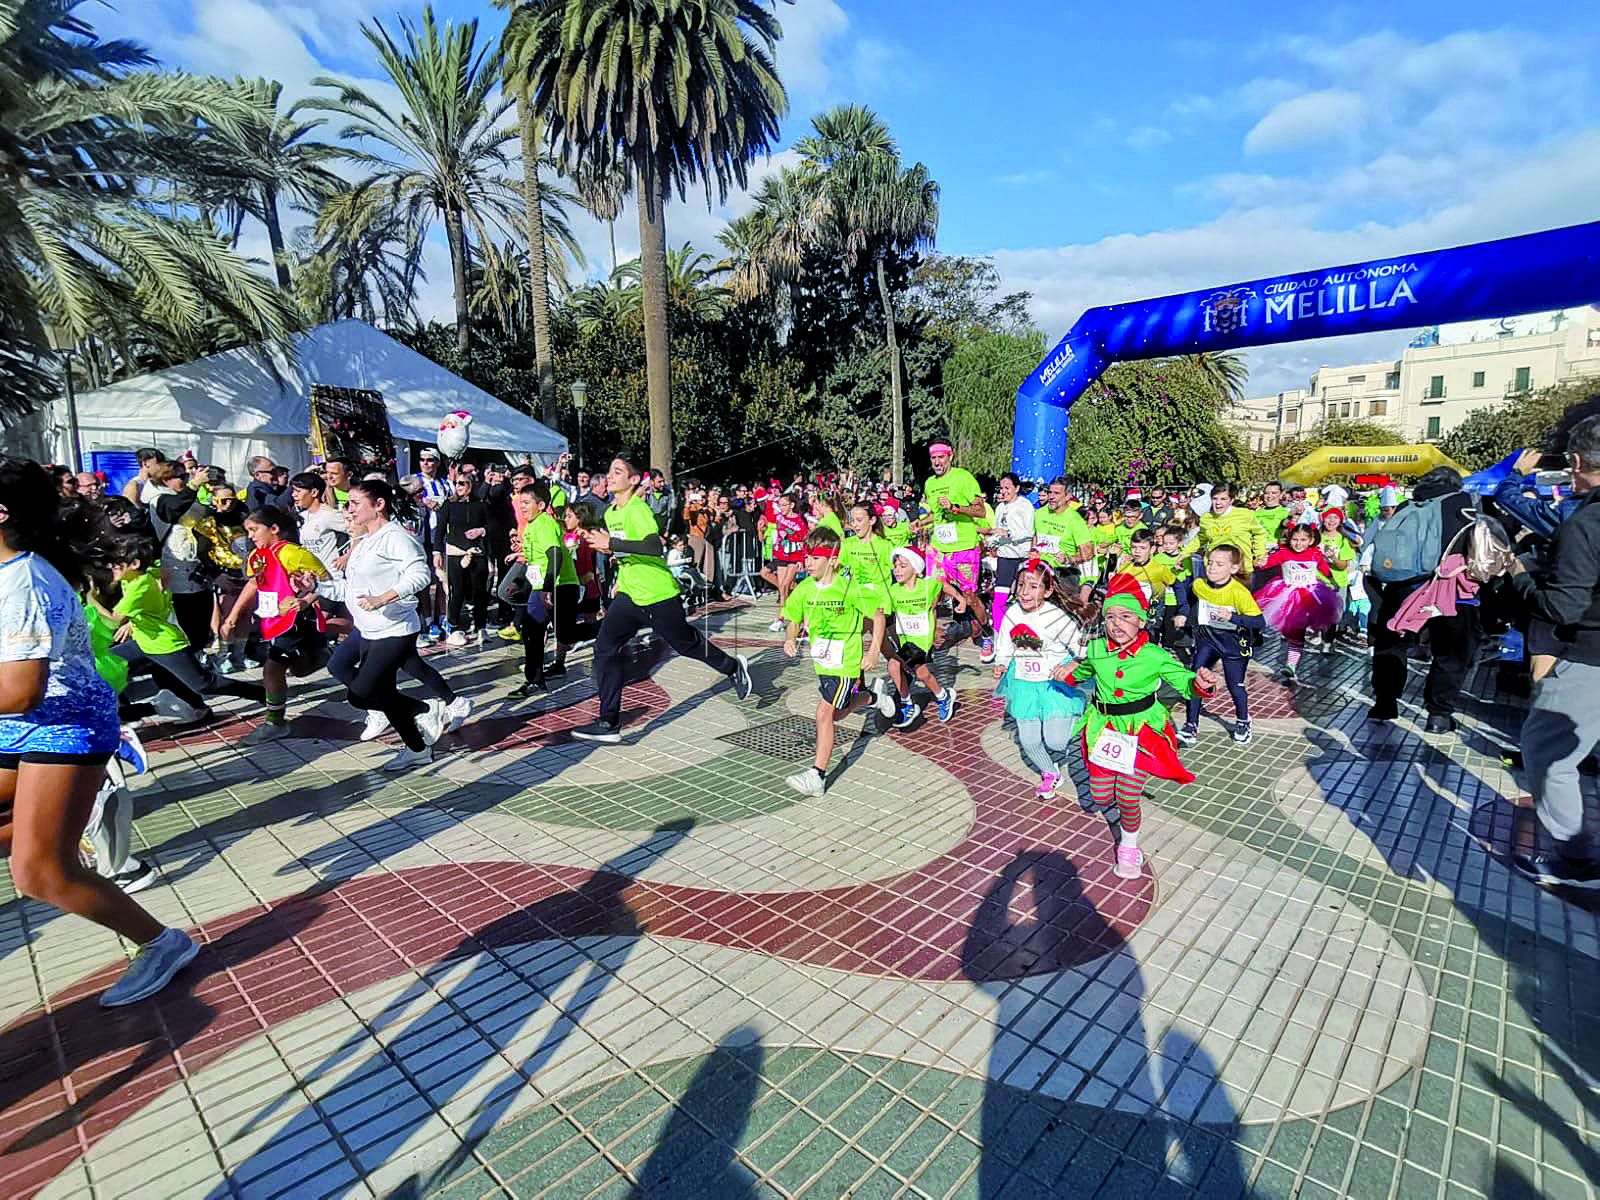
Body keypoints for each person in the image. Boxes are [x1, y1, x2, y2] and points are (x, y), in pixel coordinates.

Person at [0, 459, 199, 1006]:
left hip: (64, 727)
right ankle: (58, 825)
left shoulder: (25, 581)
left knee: (39, 874)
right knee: (34, 850)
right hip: (20, 728)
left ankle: (161, 943)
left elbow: (21, 690)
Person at [572, 457, 754, 743]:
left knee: (687, 644)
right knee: (605, 647)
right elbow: (628, 551)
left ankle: (732, 667)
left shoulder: (638, 508)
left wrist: (612, 544)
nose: (610, 476)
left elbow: (653, 546)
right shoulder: (610, 513)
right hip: (630, 595)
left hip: (658, 595)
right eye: (609, 471)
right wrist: (616, 564)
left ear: (634, 480)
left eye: (618, 472)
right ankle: (608, 722)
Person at [1060, 574, 1218, 879]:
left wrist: (1201, 683)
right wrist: (1066, 673)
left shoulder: (1154, 656)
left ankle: (1129, 846)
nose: (1117, 624)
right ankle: (1117, 811)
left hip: (1141, 731)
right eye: (1110, 617)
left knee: (1128, 795)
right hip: (1103, 730)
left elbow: (1184, 682)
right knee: (1101, 797)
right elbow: (1084, 671)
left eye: (1126, 616)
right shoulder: (1096, 649)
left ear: (1142, 621)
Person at [1506, 415, 1600, 888]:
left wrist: (1520, 576)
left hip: (1589, 655)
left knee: (1546, 751)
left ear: (1577, 462)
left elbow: (1563, 607)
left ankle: (1578, 862)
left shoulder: (1586, 523)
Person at [310, 480, 447, 770]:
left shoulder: (395, 537)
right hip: (370, 630)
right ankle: (417, 749)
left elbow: (420, 574)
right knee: (382, 694)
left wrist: (384, 597)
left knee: (361, 695)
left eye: (355, 503)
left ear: (379, 505)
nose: (350, 510)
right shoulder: (365, 540)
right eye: (348, 504)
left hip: (394, 630)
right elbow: (351, 591)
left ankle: (424, 708)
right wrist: (316, 587)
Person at [779, 527, 897, 796]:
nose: (808, 563)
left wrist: (873, 652)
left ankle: (817, 776)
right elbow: (793, 618)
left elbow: (878, 617)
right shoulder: (805, 588)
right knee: (836, 714)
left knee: (824, 714)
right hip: (823, 664)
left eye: (815, 558)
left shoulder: (849, 588)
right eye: (807, 557)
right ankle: (872, 698)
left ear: (833, 560)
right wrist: (790, 638)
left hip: (846, 663)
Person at [1365, 466, 1479, 731]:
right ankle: (1438, 715)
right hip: (1452, 589)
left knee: (1391, 643)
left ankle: (1384, 703)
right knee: (1451, 652)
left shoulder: (1407, 506)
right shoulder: (1465, 504)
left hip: (1403, 586)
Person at [222, 507, 329, 741]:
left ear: (274, 529)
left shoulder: (293, 554)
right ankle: (325, 654)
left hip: (296, 620)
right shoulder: (256, 556)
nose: (250, 536)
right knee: (298, 669)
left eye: (254, 530)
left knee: (273, 667)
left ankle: (275, 721)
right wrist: (233, 615)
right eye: (247, 531)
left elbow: (327, 581)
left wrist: (305, 600)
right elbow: (254, 583)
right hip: (271, 619)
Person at [991, 558, 1091, 802]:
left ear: (1048, 591)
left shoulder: (1057, 617)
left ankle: (1083, 720)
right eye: (1021, 585)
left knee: (1057, 742)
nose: (1025, 592)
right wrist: (1001, 662)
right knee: (1029, 740)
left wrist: (1072, 665)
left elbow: (1082, 649)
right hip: (1024, 684)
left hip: (1053, 685)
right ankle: (1050, 773)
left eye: (1034, 586)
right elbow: (1004, 644)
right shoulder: (1012, 612)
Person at [1175, 544, 1265, 747]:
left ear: (1233, 568)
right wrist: (1184, 614)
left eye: (1219, 564)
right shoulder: (1199, 585)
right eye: (1210, 563)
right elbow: (1188, 600)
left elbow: (1260, 622)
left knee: (1235, 685)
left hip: (1233, 643)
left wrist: (1233, 618)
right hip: (1208, 640)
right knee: (1195, 679)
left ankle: (1243, 721)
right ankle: (1191, 725)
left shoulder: (1239, 593)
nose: (1212, 567)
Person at [918, 442, 992, 659]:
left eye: (941, 457)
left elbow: (980, 511)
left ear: (950, 457)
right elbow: (936, 514)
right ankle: (926, 645)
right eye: (934, 458)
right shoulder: (930, 483)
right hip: (939, 548)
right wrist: (921, 523)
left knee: (971, 597)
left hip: (964, 548)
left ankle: (987, 634)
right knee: (932, 594)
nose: (937, 462)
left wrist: (955, 507)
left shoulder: (963, 477)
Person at [883, 547, 960, 727]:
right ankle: (940, 696)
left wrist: (960, 599)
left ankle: (911, 703)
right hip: (906, 641)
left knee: (902, 667)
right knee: (917, 672)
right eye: (895, 566)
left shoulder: (927, 586)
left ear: (916, 569)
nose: (897, 570)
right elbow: (884, 610)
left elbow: (942, 585)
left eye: (903, 566)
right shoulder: (893, 590)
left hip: (923, 640)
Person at [1255, 525, 1342, 682]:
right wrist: (1259, 561)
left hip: (1311, 595)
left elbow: (1325, 569)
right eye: (1295, 539)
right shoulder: (1284, 553)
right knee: (1294, 632)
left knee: (1302, 629)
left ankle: (1293, 663)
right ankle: (1292, 665)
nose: (1298, 543)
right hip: (1288, 595)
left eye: (1303, 540)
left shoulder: (1315, 554)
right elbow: (1265, 564)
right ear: (1289, 539)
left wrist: (1332, 580)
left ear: (1311, 540)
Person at [987, 472, 1036, 634]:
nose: (1004, 491)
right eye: (1001, 488)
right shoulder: (1000, 507)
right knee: (999, 598)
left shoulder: (1025, 505)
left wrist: (1009, 534)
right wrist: (991, 542)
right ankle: (997, 634)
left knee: (1023, 597)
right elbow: (997, 531)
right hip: (1005, 558)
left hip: (1022, 558)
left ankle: (1025, 633)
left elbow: (1029, 531)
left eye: (1007, 488)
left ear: (1017, 488)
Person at [1199, 482, 1268, 573]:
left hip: (1241, 568)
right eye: (1215, 498)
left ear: (1231, 500)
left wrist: (1259, 554)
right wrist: (1184, 554)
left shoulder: (1246, 514)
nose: (1218, 503)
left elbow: (1260, 534)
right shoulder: (1206, 518)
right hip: (1215, 569)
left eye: (1223, 499)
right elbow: (1200, 538)